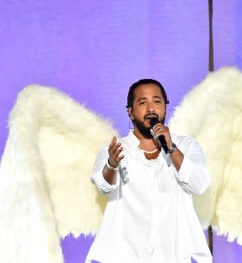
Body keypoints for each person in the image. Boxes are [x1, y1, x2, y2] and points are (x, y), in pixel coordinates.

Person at [85, 79, 212, 263]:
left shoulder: (186, 146)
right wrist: (112, 165)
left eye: (157, 101)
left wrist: (171, 148)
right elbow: (103, 185)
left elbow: (198, 185)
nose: (151, 109)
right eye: (143, 102)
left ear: (165, 107)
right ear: (130, 111)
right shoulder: (115, 150)